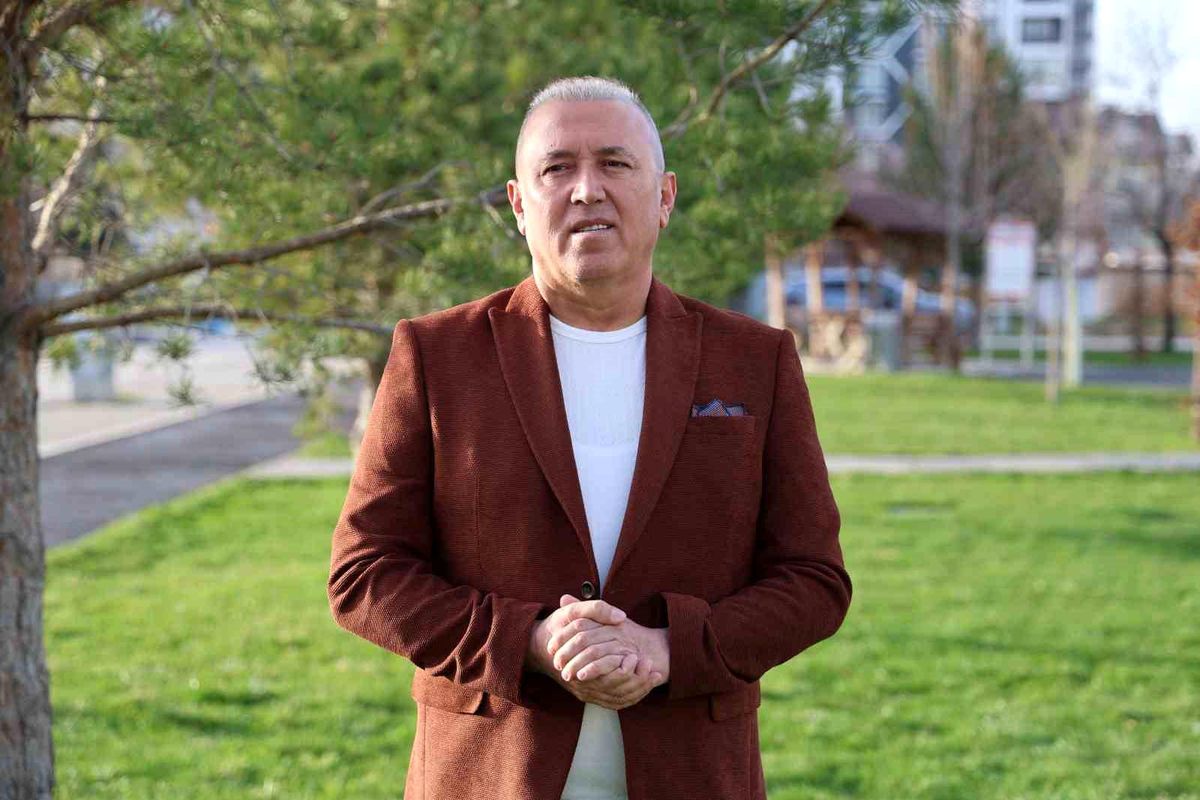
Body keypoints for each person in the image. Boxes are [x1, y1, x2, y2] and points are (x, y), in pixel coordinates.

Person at [326, 75, 852, 800]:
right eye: (556, 168)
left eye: (614, 163)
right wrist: (528, 641)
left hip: (695, 776)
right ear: (519, 204)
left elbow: (815, 580)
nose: (585, 190)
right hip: (488, 776)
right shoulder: (436, 356)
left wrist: (670, 650)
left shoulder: (755, 362)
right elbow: (364, 575)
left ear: (664, 196)